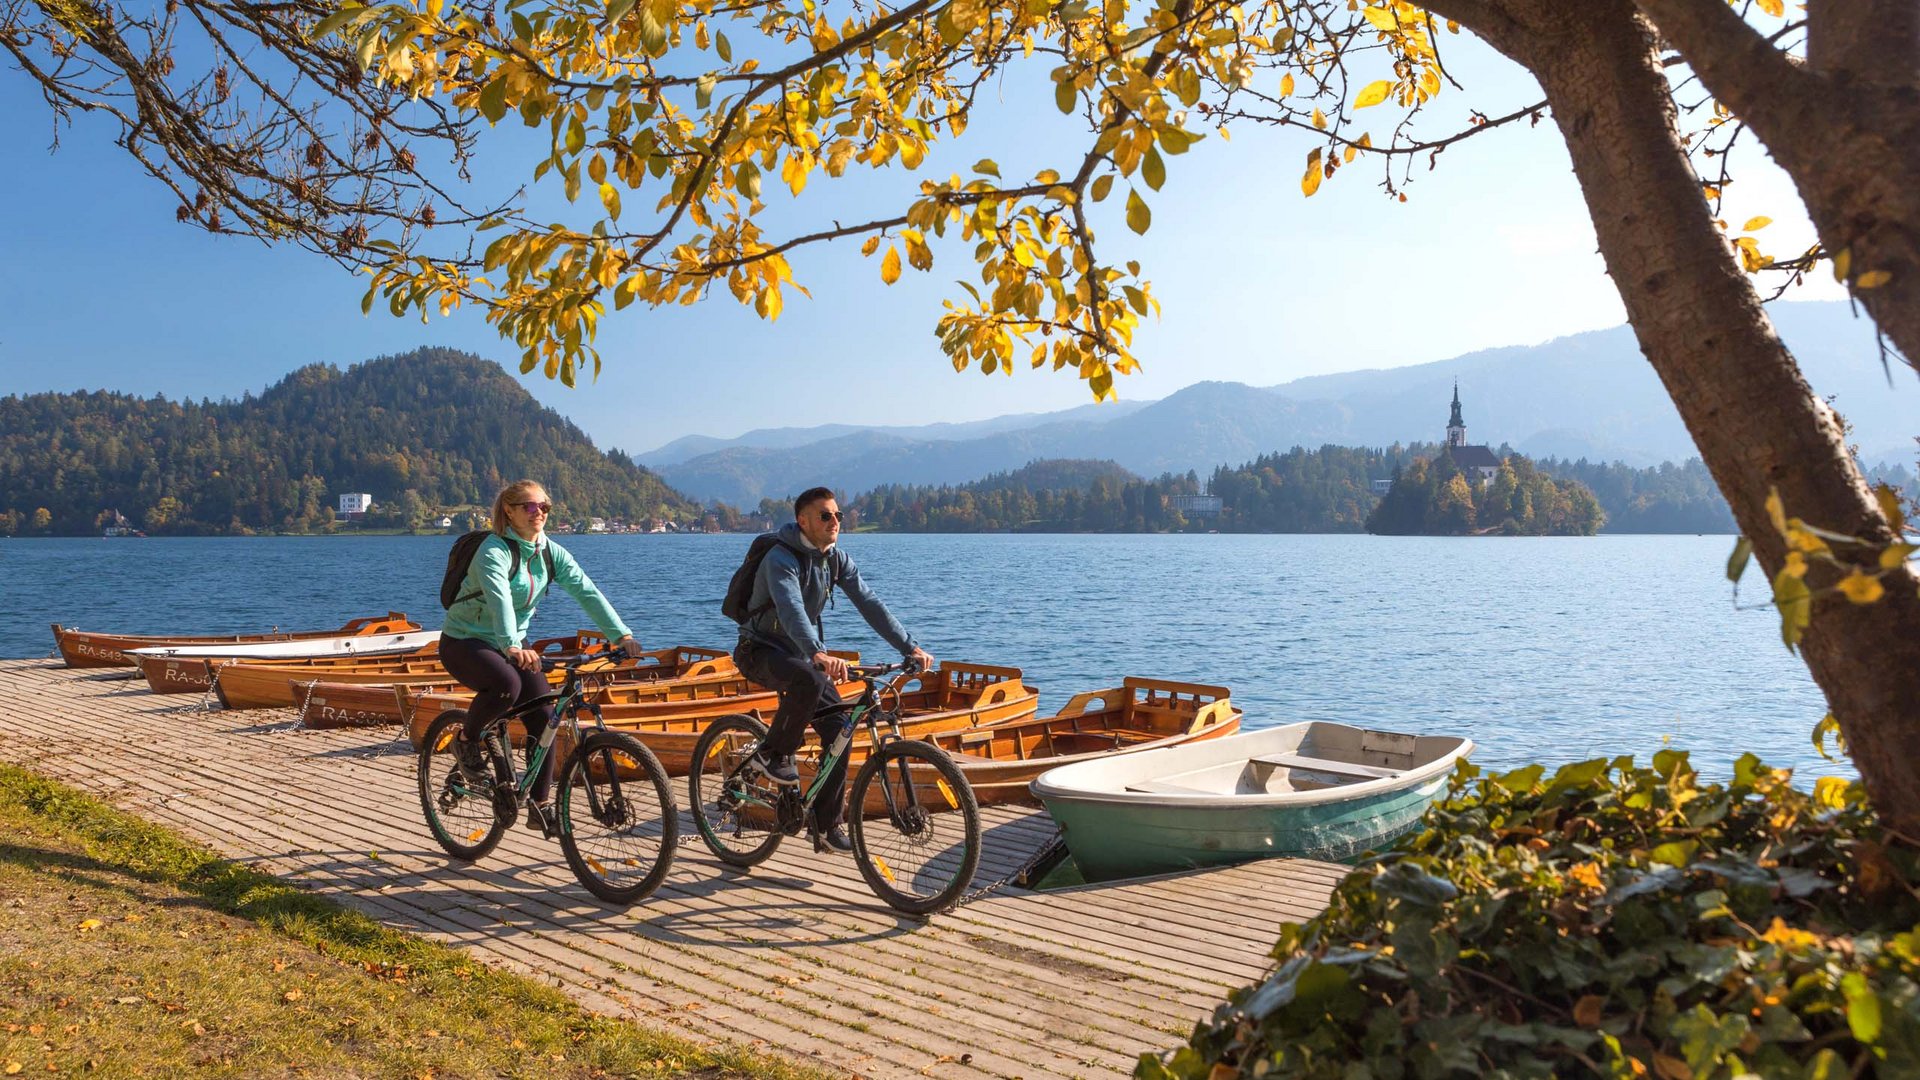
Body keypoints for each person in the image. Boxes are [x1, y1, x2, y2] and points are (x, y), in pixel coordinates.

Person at [733, 486, 935, 853]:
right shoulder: (780, 558)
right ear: (803, 520)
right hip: (760, 650)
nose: (835, 522)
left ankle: (826, 826)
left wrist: (910, 646)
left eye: (838, 515)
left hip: (802, 655)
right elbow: (791, 608)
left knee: (840, 730)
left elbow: (870, 603)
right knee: (810, 678)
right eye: (826, 516)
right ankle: (772, 754)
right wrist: (819, 653)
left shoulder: (836, 560)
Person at [441, 479, 637, 832]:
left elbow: (586, 591)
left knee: (546, 718)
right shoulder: (493, 550)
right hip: (465, 641)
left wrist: (621, 634)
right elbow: (499, 598)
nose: (539, 513)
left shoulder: (550, 552)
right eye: (531, 507)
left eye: (545, 507)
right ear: (509, 511)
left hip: (513, 641)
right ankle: (467, 742)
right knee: (505, 684)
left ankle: (540, 803)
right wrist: (512, 647)